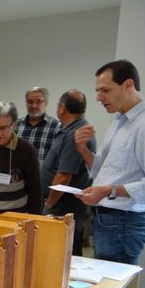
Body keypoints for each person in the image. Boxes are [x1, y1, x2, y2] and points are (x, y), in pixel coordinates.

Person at [74, 59, 145, 288]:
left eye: (105, 90)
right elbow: (102, 171)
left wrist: (108, 191)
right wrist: (83, 150)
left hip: (124, 222)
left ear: (128, 85)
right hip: (108, 219)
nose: (99, 97)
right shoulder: (119, 121)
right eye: (97, 90)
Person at [41, 90, 95, 255]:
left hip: (62, 209)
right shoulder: (71, 129)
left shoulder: (75, 134)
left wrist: (48, 205)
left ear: (62, 108)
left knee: (63, 256)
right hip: (63, 206)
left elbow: (63, 177)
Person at [16, 87, 61, 164]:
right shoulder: (16, 124)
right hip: (18, 171)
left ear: (46, 103)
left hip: (43, 172)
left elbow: (59, 156)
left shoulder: (57, 126)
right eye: (30, 102)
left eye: (38, 102)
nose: (34, 106)